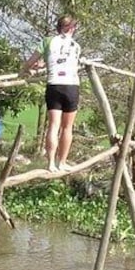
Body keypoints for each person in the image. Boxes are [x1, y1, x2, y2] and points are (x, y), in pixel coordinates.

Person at [22, 14, 82, 172]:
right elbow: (66, 62)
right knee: (67, 127)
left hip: (54, 85)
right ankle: (62, 162)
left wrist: (26, 70)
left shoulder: (47, 41)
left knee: (53, 126)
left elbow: (32, 61)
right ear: (72, 28)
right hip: (71, 86)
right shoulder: (76, 46)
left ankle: (50, 164)